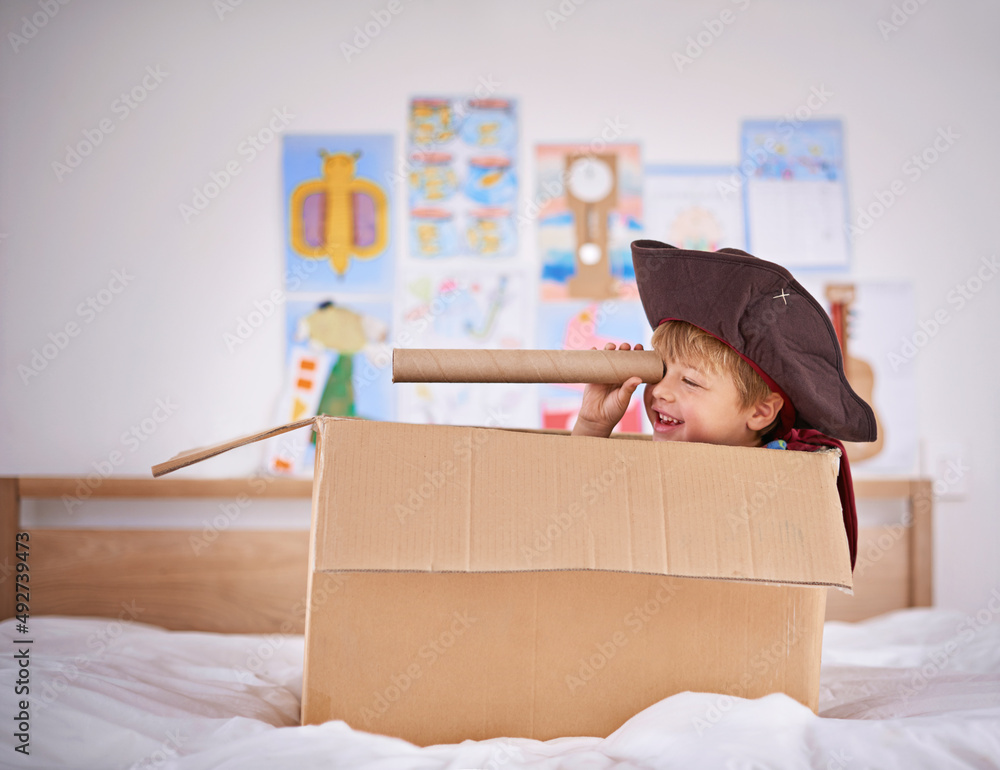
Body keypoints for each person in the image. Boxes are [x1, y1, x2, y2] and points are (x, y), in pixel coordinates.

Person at [572, 240, 879, 569]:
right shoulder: (644, 469)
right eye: (660, 370)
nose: (660, 391)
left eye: (690, 381)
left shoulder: (782, 488)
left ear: (760, 412)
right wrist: (593, 425)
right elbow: (573, 518)